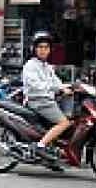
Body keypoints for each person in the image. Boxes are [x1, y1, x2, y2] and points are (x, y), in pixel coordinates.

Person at [22, 31, 73, 160]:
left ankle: (53, 149)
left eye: (46, 47)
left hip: (47, 100)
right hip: (38, 101)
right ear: (34, 49)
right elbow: (38, 85)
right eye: (40, 47)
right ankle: (40, 146)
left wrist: (68, 86)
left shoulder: (47, 67)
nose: (43, 50)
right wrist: (58, 88)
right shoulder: (30, 66)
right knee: (64, 123)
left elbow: (55, 81)